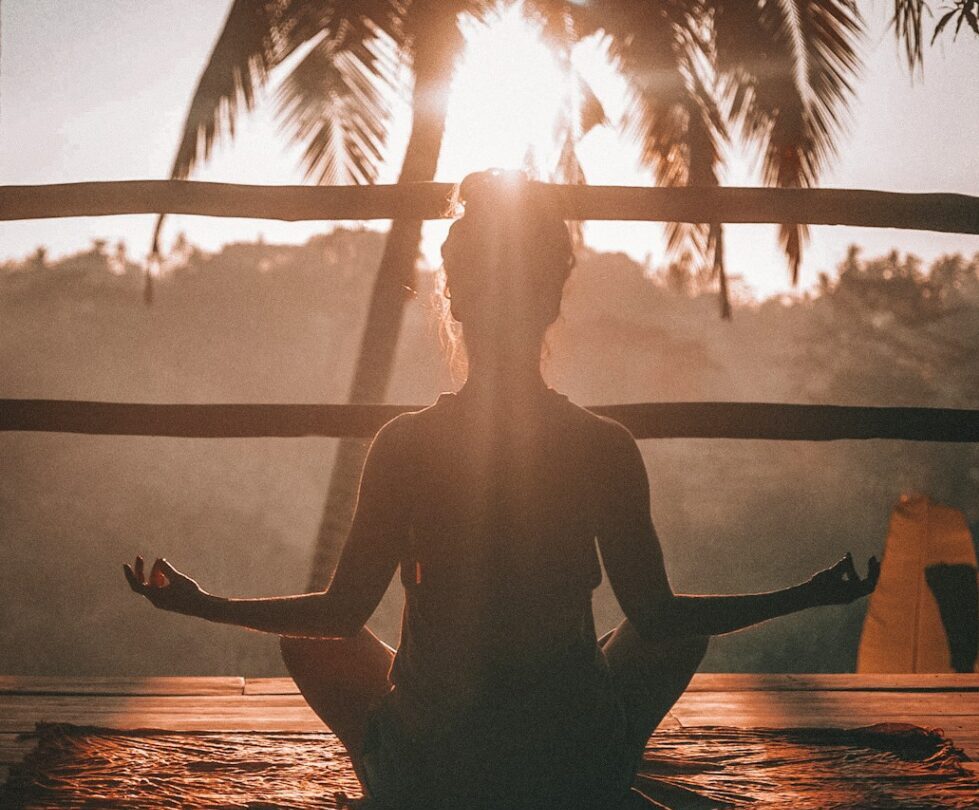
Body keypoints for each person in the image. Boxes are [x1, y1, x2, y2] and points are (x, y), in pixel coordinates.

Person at [124, 170, 880, 810]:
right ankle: (601, 775)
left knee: (310, 643)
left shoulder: (407, 444)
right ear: (553, 300)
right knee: (672, 635)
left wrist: (200, 603)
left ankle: (404, 781)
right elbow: (657, 615)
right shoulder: (601, 446)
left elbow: (340, 613)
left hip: (435, 773)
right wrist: (805, 594)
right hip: (568, 766)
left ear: (453, 298)